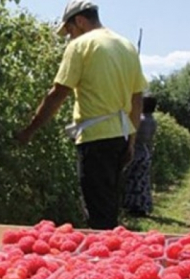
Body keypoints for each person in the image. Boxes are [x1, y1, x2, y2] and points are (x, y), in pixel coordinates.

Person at [16, 0, 147, 230]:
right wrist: (132, 141)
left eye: (69, 31)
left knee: (97, 212)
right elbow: (137, 99)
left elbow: (57, 93)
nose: (70, 37)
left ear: (79, 20)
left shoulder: (81, 46)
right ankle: (110, 253)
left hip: (95, 139)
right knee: (108, 205)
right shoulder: (126, 46)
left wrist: (29, 130)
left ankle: (103, 261)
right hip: (121, 136)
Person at [123, 95, 158, 216]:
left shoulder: (140, 120)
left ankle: (134, 207)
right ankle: (143, 206)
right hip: (146, 152)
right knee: (143, 181)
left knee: (133, 180)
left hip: (137, 152)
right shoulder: (152, 121)